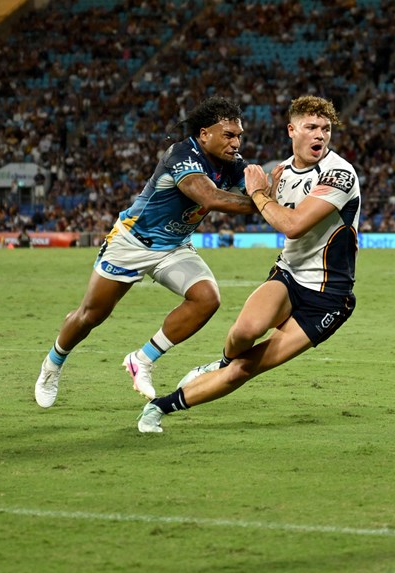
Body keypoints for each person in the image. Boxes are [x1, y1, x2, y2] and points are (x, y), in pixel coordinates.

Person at [137, 95, 361, 433]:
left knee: (245, 368)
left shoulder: (339, 174)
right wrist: (263, 193)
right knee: (243, 332)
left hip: (328, 296)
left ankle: (159, 407)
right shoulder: (282, 172)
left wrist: (258, 194)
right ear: (292, 130)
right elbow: (260, 206)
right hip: (288, 276)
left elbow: (293, 225)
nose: (320, 135)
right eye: (311, 127)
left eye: (326, 129)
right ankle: (221, 363)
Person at [35, 96, 256, 408]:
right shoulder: (181, 155)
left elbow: (257, 188)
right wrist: (263, 204)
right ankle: (52, 365)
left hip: (174, 247)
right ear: (205, 134)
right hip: (132, 243)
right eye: (229, 135)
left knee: (207, 299)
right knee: (91, 315)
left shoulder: (231, 163)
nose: (236, 143)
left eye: (239, 136)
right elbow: (210, 197)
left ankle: (142, 359)